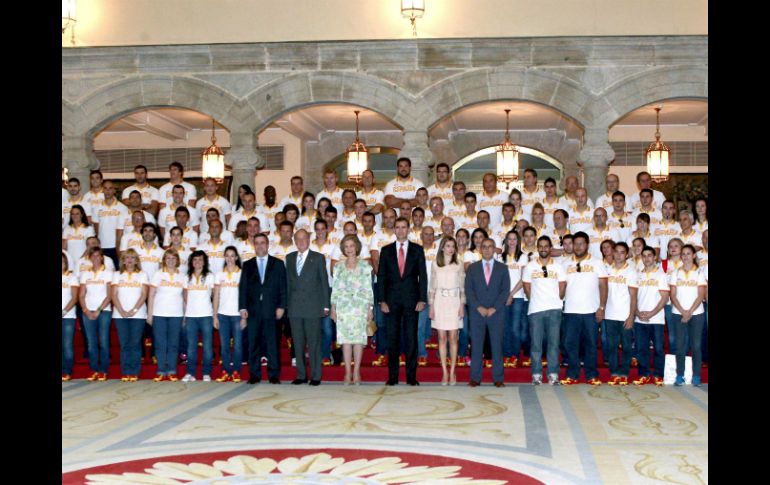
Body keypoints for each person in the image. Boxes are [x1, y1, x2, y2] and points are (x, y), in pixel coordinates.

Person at [378, 217, 428, 385]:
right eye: (397, 227)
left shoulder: (417, 249)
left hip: (411, 300)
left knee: (411, 338)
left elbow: (423, 276)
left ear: (409, 229)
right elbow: (382, 277)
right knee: (392, 338)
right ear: (394, 230)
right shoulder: (385, 250)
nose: (400, 230)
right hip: (391, 301)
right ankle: (392, 376)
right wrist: (382, 300)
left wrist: (422, 298)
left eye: (403, 227)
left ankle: (411, 376)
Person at [559, 232, 608, 386]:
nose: (578, 246)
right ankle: (572, 374)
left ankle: (591, 374)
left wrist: (602, 307)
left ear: (587, 245)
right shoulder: (565, 264)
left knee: (591, 344)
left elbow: (603, 286)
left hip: (591, 311)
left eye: (581, 243)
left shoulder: (597, 262)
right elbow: (561, 286)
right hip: (571, 311)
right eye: (576, 243)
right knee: (570, 343)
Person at [239, 234, 287, 384]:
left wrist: (282, 306)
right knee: (253, 343)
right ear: (254, 245)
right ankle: (254, 374)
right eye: (257, 243)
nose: (260, 246)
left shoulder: (278, 264)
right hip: (253, 311)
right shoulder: (247, 264)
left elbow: (283, 287)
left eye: (263, 243)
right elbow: (243, 288)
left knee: (272, 343)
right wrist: (242, 308)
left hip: (272, 309)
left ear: (268, 245)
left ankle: (273, 374)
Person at [286, 229, 331, 386]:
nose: (301, 241)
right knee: (297, 343)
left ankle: (316, 376)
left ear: (309, 239)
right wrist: (286, 305)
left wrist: (326, 305)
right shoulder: (289, 258)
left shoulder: (318, 258)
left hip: (313, 306)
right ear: (294, 240)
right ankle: (301, 375)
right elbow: (287, 283)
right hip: (295, 307)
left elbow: (324, 282)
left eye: (304, 238)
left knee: (314, 343)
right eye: (297, 239)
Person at [465, 238, 510, 387]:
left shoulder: (503, 268)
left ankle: (498, 378)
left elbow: (505, 291)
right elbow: (469, 290)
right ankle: (475, 378)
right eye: (484, 247)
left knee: (497, 346)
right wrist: (479, 307)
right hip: (477, 312)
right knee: (476, 346)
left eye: (490, 247)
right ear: (480, 249)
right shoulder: (472, 268)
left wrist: (494, 308)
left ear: (494, 248)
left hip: (496, 313)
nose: (487, 249)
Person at [522, 236, 567, 385]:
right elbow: (527, 287)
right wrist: (534, 299)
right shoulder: (530, 266)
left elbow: (562, 286)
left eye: (546, 246)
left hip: (554, 309)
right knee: (536, 344)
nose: (543, 249)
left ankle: (553, 374)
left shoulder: (558, 266)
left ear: (550, 248)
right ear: (537, 248)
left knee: (553, 344)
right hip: (536, 310)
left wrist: (557, 299)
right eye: (540, 246)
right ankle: (536, 374)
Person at [331, 234, 374, 385]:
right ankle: (347, 373)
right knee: (345, 341)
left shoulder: (366, 267)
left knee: (358, 340)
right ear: (343, 249)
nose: (349, 249)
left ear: (357, 247)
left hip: (360, 307)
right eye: (346, 246)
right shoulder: (338, 267)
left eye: (352, 246)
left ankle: (356, 372)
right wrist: (333, 308)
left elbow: (369, 289)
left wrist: (370, 308)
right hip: (343, 307)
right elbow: (335, 289)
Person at [428, 236, 465, 385]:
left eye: (452, 246)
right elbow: (432, 286)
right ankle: (444, 372)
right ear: (442, 247)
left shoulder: (459, 264)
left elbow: (463, 287)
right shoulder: (436, 264)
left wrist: (462, 305)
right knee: (441, 338)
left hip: (454, 301)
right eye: (448, 246)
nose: (450, 249)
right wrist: (431, 305)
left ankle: (452, 371)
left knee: (453, 338)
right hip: (439, 301)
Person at [669, 244, 707, 387]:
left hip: (696, 314)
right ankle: (680, 375)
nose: (685, 256)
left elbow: (701, 295)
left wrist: (689, 311)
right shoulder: (675, 273)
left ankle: (696, 375)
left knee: (696, 345)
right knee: (680, 346)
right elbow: (673, 295)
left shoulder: (699, 273)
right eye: (683, 254)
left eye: (688, 254)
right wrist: (682, 311)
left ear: (694, 255)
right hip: (678, 313)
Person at [632, 246, 669, 386]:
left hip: (656, 319)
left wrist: (652, 313)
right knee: (642, 349)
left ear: (654, 258)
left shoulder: (661, 275)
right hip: (639, 319)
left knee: (659, 348)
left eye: (649, 255)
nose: (646, 258)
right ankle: (644, 374)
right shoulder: (637, 275)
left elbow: (665, 297)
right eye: (644, 256)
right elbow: (633, 296)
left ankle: (659, 375)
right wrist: (636, 312)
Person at [111, 248, 149, 382]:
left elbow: (144, 294)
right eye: (127, 257)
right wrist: (121, 311)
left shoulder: (143, 275)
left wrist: (133, 310)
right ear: (123, 260)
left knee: (135, 343)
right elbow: (113, 294)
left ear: (136, 260)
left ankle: (134, 371)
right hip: (119, 314)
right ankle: (125, 371)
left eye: (132, 257)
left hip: (138, 314)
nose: (129, 260)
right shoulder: (117, 275)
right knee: (124, 344)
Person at [147, 249, 185, 381]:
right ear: (164, 260)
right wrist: (150, 314)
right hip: (159, 313)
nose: (170, 261)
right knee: (160, 343)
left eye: (173, 258)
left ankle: (172, 370)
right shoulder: (158, 274)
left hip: (176, 314)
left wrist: (184, 315)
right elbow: (151, 295)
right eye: (168, 258)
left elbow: (185, 297)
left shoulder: (182, 276)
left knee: (174, 343)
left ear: (177, 261)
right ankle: (161, 370)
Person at [603, 242, 638, 386]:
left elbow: (634, 296)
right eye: (616, 252)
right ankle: (614, 372)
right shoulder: (607, 270)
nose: (618, 255)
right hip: (610, 314)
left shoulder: (631, 271)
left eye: (622, 252)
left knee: (626, 346)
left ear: (627, 254)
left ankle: (624, 372)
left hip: (624, 315)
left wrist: (631, 316)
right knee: (611, 346)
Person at [79, 246, 114, 381]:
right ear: (89, 258)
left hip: (103, 311)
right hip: (88, 311)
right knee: (91, 343)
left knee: (104, 341)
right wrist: (86, 310)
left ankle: (103, 370)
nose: (95, 258)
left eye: (98, 255)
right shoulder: (85, 274)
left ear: (102, 257)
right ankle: (94, 369)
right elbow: (81, 295)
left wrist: (98, 310)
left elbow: (109, 296)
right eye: (93, 256)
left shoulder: (108, 273)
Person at [181, 251, 216, 382]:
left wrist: (214, 314)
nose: (197, 262)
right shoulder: (186, 277)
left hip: (206, 315)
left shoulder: (210, 276)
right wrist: (185, 315)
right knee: (191, 346)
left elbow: (214, 295)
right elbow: (185, 297)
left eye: (200, 260)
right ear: (191, 262)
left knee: (207, 346)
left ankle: (206, 372)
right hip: (191, 316)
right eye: (194, 260)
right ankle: (190, 372)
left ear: (204, 261)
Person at [213, 246, 246, 382]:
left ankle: (237, 371)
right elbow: (216, 296)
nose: (230, 258)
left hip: (237, 315)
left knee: (238, 346)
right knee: (224, 346)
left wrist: (244, 317)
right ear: (224, 257)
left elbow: (246, 296)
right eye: (227, 255)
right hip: (223, 315)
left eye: (233, 255)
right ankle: (225, 371)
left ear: (237, 258)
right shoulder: (219, 274)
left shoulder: (242, 273)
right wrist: (215, 316)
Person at [499, 230, 528, 368]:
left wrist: (511, 294)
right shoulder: (500, 257)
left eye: (514, 239)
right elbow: (498, 279)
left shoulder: (523, 257)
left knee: (516, 328)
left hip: (517, 296)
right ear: (506, 240)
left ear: (518, 241)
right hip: (503, 297)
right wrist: (505, 294)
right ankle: (507, 354)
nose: (511, 241)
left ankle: (515, 356)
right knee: (504, 327)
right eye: (509, 239)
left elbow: (523, 279)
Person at [92, 180, 129, 268]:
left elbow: (125, 228)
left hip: (117, 246)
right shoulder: (97, 208)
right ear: (102, 190)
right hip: (103, 246)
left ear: (114, 190)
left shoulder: (122, 208)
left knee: (118, 271)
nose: (108, 191)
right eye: (105, 188)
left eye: (110, 188)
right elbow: (97, 229)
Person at [62, 253, 80, 381]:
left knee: (67, 344)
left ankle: (66, 371)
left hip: (67, 316)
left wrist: (63, 311)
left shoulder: (71, 277)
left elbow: (74, 298)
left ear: (66, 263)